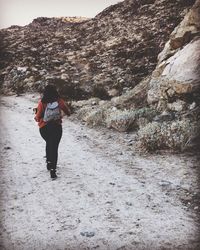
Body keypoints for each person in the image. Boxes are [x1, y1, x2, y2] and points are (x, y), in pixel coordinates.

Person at [34, 84, 71, 179]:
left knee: (49, 143)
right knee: (54, 147)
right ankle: (53, 170)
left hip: (44, 128)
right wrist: (62, 114)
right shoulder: (59, 101)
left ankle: (49, 162)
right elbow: (68, 112)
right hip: (56, 127)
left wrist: (37, 118)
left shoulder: (42, 102)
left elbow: (37, 118)